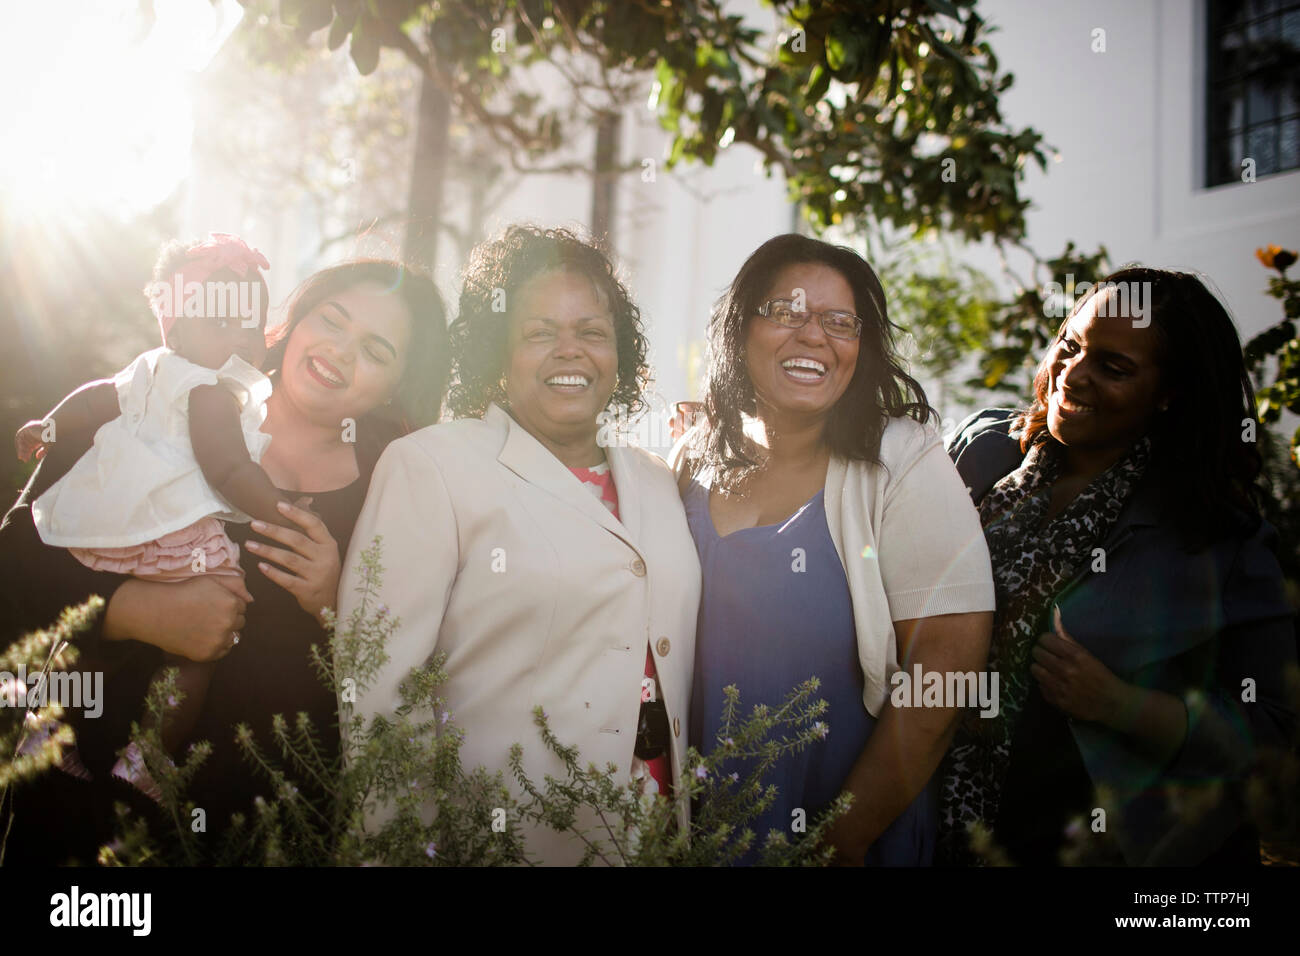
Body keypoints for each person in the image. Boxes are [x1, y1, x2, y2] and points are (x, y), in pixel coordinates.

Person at [1, 257, 448, 863]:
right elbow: (14, 567)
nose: (340, 353)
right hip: (86, 806)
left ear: (396, 383)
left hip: (266, 821)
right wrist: (128, 610)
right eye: (332, 321)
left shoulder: (398, 481)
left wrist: (336, 606)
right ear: (293, 322)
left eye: (375, 350)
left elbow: (423, 671)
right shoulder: (163, 397)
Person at [338, 225, 701, 865]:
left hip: (650, 839)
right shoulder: (432, 466)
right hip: (498, 845)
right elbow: (380, 695)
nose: (570, 351)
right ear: (495, 354)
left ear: (621, 355)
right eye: (538, 333)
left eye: (592, 332)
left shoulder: (658, 480)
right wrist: (402, 850)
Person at [938, 267, 1298, 866]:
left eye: (1114, 366)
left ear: (1169, 392)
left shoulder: (1217, 539)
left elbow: (1275, 735)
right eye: (1071, 345)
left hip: (1098, 842)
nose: (1072, 374)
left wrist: (1120, 705)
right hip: (940, 812)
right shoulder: (984, 453)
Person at [672, 234, 994, 865]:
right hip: (705, 829)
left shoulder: (900, 460)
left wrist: (834, 844)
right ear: (741, 329)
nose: (813, 335)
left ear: (859, 347)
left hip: (853, 832)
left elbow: (946, 669)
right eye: (786, 312)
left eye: (838, 322)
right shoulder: (693, 459)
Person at [15, 234, 300, 796]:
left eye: (252, 325)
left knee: (82, 638)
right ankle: (148, 754)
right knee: (204, 643)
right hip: (175, 534)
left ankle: (44, 730)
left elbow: (96, 397)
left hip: (118, 524)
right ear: (175, 325)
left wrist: (50, 424)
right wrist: (282, 511)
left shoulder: (152, 368)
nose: (244, 339)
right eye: (224, 325)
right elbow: (229, 470)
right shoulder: (209, 391)